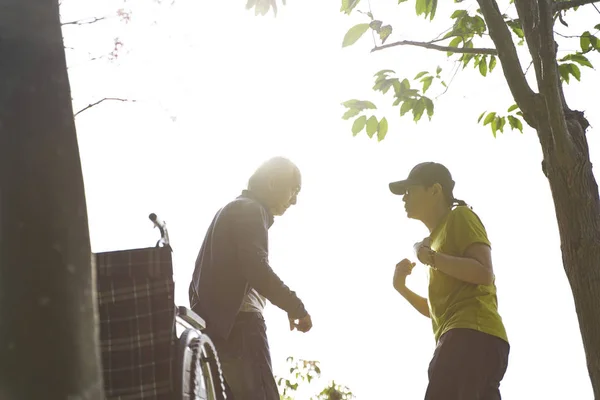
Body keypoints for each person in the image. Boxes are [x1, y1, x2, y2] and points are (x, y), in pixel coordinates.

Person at [189, 156, 312, 400]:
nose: (295, 201)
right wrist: (296, 306)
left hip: (218, 330)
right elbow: (256, 268)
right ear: (271, 182)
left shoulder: (231, 210)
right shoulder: (250, 210)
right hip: (242, 327)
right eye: (294, 189)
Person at [390, 162, 509, 400]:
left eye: (409, 190)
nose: (404, 198)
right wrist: (401, 288)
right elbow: (438, 310)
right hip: (469, 338)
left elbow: (484, 272)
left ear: (435, 190)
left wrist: (432, 258)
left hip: (469, 337)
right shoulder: (433, 241)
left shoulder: (461, 216)